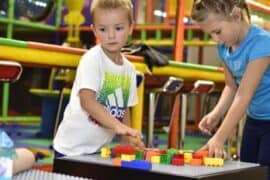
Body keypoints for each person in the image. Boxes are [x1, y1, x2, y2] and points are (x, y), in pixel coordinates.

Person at [53, 0, 144, 157]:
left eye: (118, 28)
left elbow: (125, 108)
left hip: (97, 149)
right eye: (103, 29)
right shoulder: (93, 59)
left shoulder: (129, 69)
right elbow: (87, 101)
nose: (111, 35)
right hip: (70, 148)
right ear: (94, 30)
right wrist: (117, 126)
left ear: (131, 27)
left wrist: (126, 140)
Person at [191, 0, 270, 177]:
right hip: (254, 119)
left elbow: (244, 94)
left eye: (217, 31)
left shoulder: (262, 43)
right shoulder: (224, 47)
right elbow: (231, 86)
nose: (215, 39)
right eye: (210, 34)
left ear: (236, 16)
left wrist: (219, 138)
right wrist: (217, 113)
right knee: (249, 172)